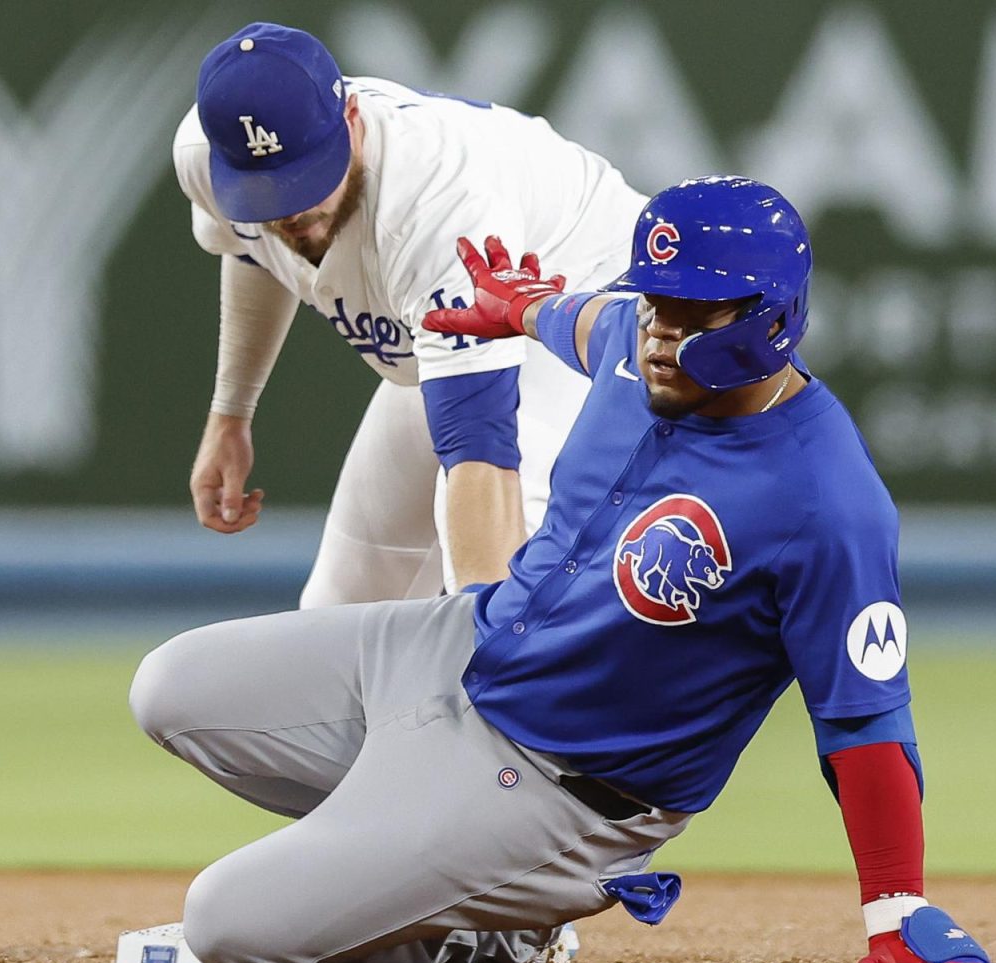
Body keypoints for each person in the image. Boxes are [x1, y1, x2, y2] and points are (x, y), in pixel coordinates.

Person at [129, 176, 996, 963]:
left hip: (560, 786)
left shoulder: (828, 503)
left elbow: (866, 720)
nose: (664, 333)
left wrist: (896, 912)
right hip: (457, 649)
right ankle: (434, 875)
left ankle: (494, 928)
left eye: (695, 313)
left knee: (226, 927)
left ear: (773, 316)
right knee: (167, 688)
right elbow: (585, 320)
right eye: (656, 304)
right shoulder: (636, 343)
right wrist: (519, 308)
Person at [174, 22, 646, 602]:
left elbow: (481, 446)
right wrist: (231, 414)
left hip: (578, 296)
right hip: (445, 321)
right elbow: (252, 251)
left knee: (498, 563)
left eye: (302, 176)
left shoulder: (437, 205)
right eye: (267, 191)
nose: (289, 209)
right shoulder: (206, 157)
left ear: (351, 120)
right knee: (336, 609)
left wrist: (488, 647)